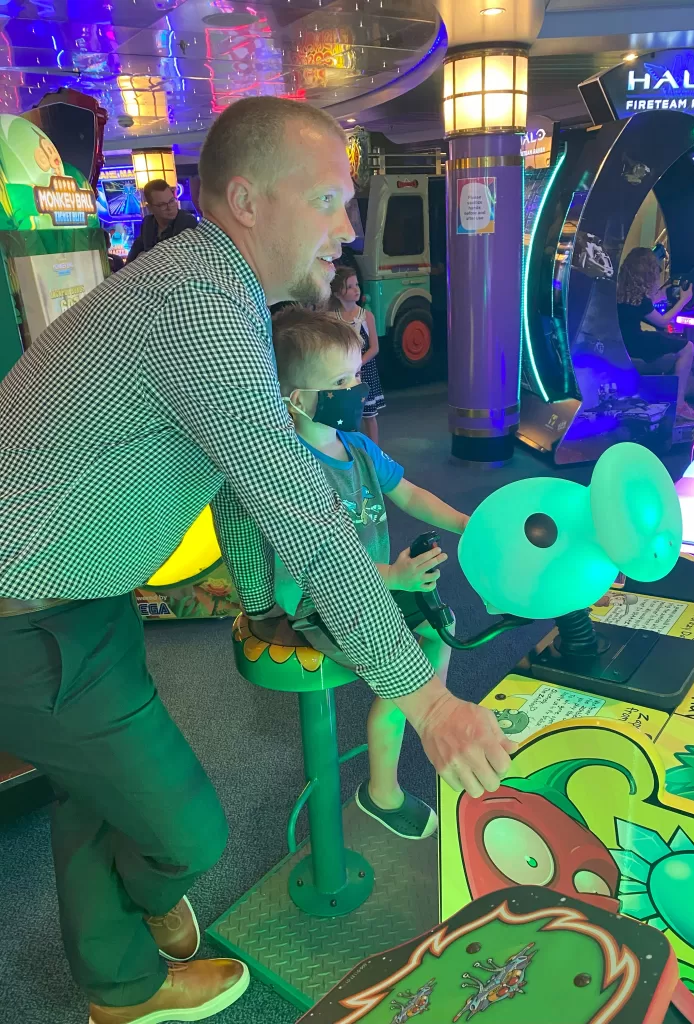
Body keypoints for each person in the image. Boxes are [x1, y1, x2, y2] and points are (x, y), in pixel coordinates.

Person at [0, 96, 514, 1024]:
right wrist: (428, 698)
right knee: (188, 833)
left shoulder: (213, 289)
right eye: (327, 201)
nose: (348, 229)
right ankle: (143, 917)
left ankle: (120, 984)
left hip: (75, 598)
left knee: (92, 799)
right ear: (245, 199)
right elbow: (305, 523)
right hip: (29, 622)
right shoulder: (199, 306)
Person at [272, 306, 466, 839]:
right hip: (315, 599)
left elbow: (411, 494)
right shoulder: (287, 469)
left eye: (356, 376)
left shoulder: (358, 447)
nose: (356, 390)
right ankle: (383, 790)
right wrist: (394, 577)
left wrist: (465, 523)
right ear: (296, 398)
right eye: (341, 382)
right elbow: (315, 564)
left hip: (377, 582)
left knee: (441, 625)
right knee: (410, 662)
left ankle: (421, 711)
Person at [617, 246, 694, 421]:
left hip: (623, 342)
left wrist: (660, 296)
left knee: (667, 339)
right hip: (637, 344)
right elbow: (663, 321)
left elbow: (642, 311)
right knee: (687, 347)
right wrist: (684, 300)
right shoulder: (640, 300)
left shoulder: (621, 293)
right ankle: (678, 404)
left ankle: (667, 398)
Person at [329, 265, 384, 443]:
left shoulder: (367, 316)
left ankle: (374, 454)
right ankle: (349, 449)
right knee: (346, 416)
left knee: (369, 416)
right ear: (338, 293)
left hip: (365, 372)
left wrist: (358, 363)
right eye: (350, 286)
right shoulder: (331, 318)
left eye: (356, 285)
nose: (356, 289)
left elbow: (374, 347)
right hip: (342, 374)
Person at [125, 178, 197, 263]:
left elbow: (173, 258)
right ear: (150, 208)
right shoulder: (148, 223)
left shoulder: (186, 221)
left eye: (171, 201)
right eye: (162, 205)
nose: (170, 207)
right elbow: (133, 254)